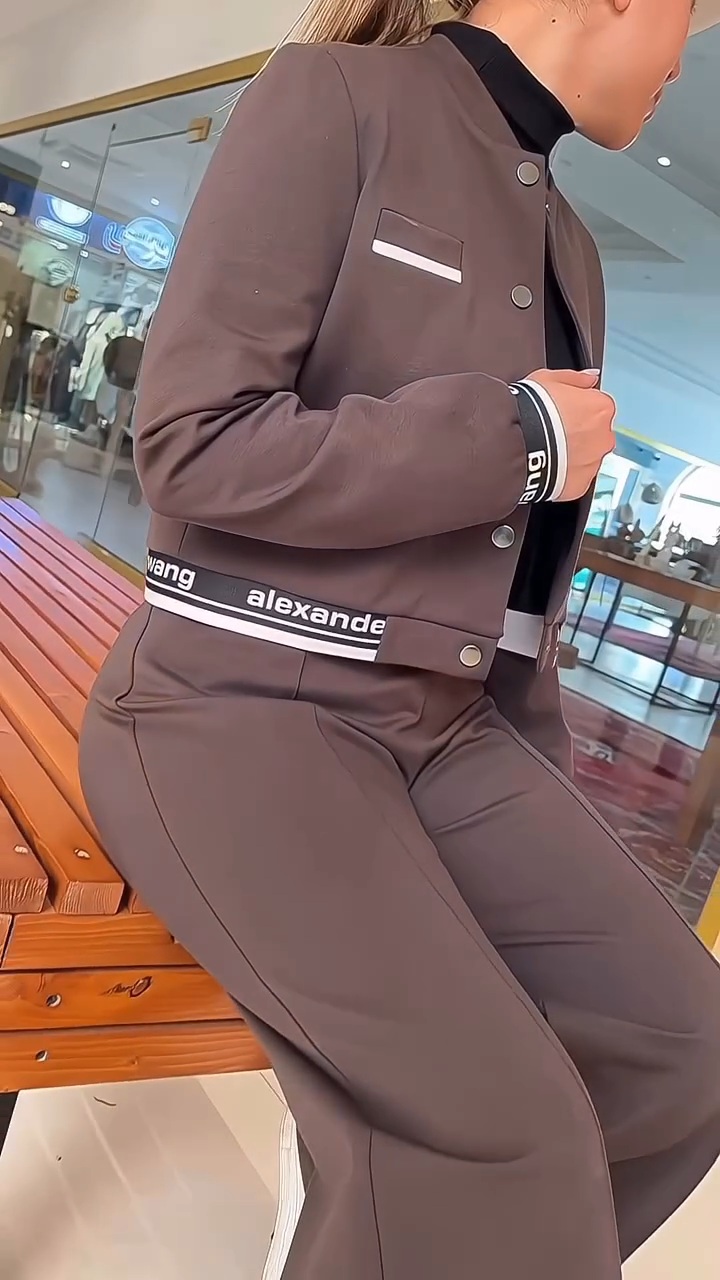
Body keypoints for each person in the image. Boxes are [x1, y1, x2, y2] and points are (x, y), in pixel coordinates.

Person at [79, 1, 720, 1277]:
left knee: (683, 1053)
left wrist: (537, 792)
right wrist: (513, 437)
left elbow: (514, 598)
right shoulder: (333, 98)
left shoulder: (571, 249)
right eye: (692, 19)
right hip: (235, 704)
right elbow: (191, 444)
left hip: (450, 734)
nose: (686, 52)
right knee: (498, 1133)